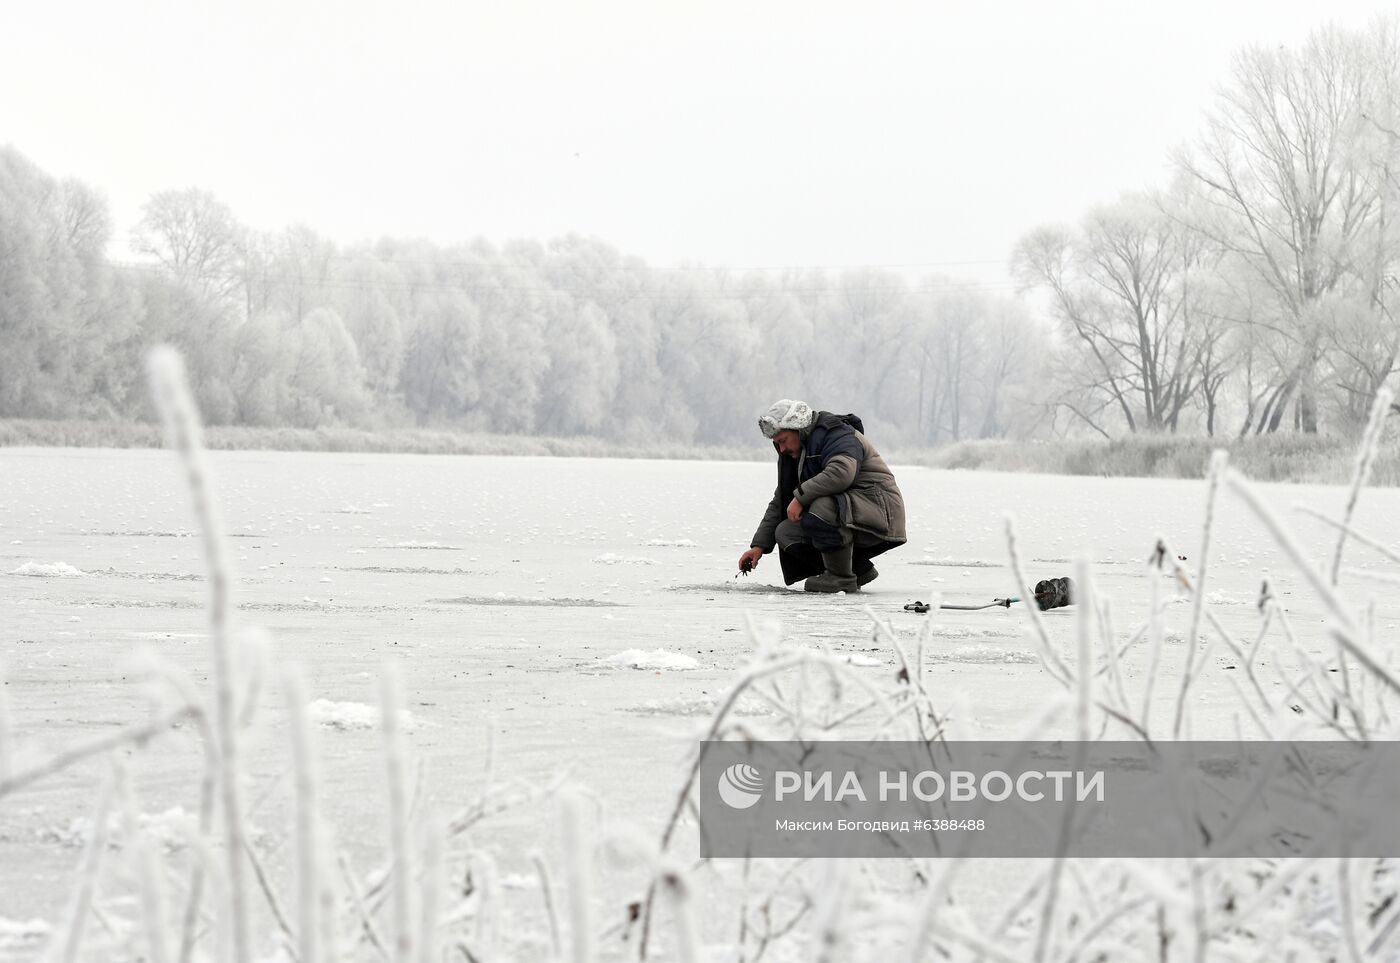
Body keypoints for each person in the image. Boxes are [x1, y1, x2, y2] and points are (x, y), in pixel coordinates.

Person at [737, 399, 906, 593]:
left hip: (881, 511)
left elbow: (842, 472)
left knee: (821, 507)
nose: (781, 449)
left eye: (783, 441)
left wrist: (801, 497)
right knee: (786, 532)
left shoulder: (837, 434)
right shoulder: (798, 452)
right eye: (777, 443)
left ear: (798, 428)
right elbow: (782, 499)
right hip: (851, 512)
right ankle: (857, 570)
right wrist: (759, 546)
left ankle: (841, 578)